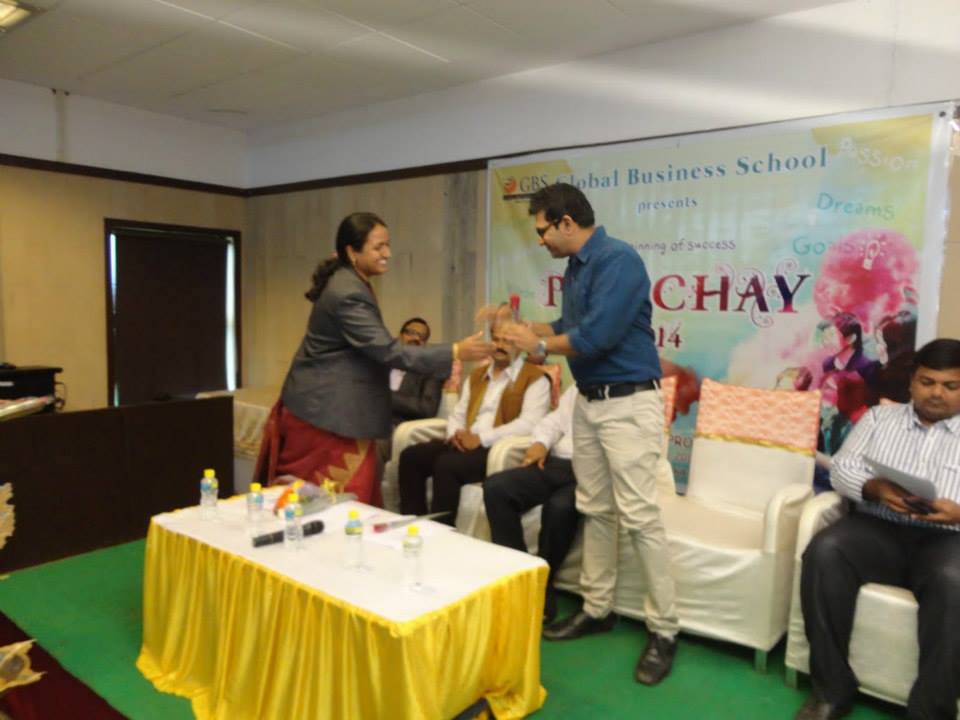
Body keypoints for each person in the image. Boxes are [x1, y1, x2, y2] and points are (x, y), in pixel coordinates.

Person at [503, 182, 679, 686]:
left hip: (628, 403)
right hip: (590, 402)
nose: (540, 240)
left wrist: (537, 348)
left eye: (543, 230)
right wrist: (525, 329)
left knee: (639, 516)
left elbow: (596, 337)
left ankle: (664, 630)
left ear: (566, 222)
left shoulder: (617, 260)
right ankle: (597, 609)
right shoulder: (577, 267)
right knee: (595, 508)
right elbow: (568, 323)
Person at [253, 212, 492, 505]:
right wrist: (455, 351)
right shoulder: (347, 292)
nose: (387, 254)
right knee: (321, 505)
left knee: (343, 504)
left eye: (388, 245)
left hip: (334, 414)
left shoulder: (351, 281)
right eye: (379, 247)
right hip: (325, 417)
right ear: (353, 252)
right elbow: (388, 350)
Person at [796, 338, 960, 720]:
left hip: (948, 541)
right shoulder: (877, 420)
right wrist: (876, 489)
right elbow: (842, 469)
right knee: (825, 551)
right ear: (912, 382)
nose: (936, 393)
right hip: (878, 529)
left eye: (950, 386)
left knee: (955, 581)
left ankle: (930, 711)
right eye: (927, 382)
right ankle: (831, 691)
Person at [397, 315, 551, 525]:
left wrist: (481, 439)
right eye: (496, 339)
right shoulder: (477, 375)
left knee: (447, 465)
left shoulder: (536, 378)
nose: (500, 346)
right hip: (466, 442)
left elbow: (529, 424)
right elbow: (459, 413)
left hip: (497, 448)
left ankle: (441, 532)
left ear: (520, 346)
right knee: (412, 456)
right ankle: (413, 524)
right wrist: (456, 435)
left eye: (507, 341)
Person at [483, 384, 580, 624]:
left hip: (592, 470)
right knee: (497, 487)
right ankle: (520, 574)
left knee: (559, 508)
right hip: (556, 462)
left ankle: (542, 585)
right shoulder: (579, 386)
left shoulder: (628, 389)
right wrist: (541, 443)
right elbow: (554, 421)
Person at [390, 317, 445, 425]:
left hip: (398, 427)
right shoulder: (381, 363)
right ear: (400, 336)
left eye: (422, 337)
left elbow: (427, 409)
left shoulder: (430, 371)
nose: (416, 338)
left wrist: (386, 396)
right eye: (411, 333)